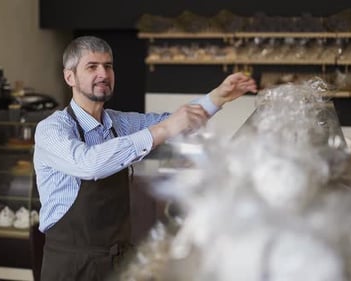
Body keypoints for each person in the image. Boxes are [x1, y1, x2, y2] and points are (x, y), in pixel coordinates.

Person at [33, 35, 257, 281]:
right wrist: (164, 128)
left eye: (108, 66)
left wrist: (218, 97)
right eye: (92, 67)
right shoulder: (52, 129)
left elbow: (175, 124)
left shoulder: (120, 122)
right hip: (71, 268)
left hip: (117, 263)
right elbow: (89, 164)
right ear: (69, 77)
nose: (103, 74)